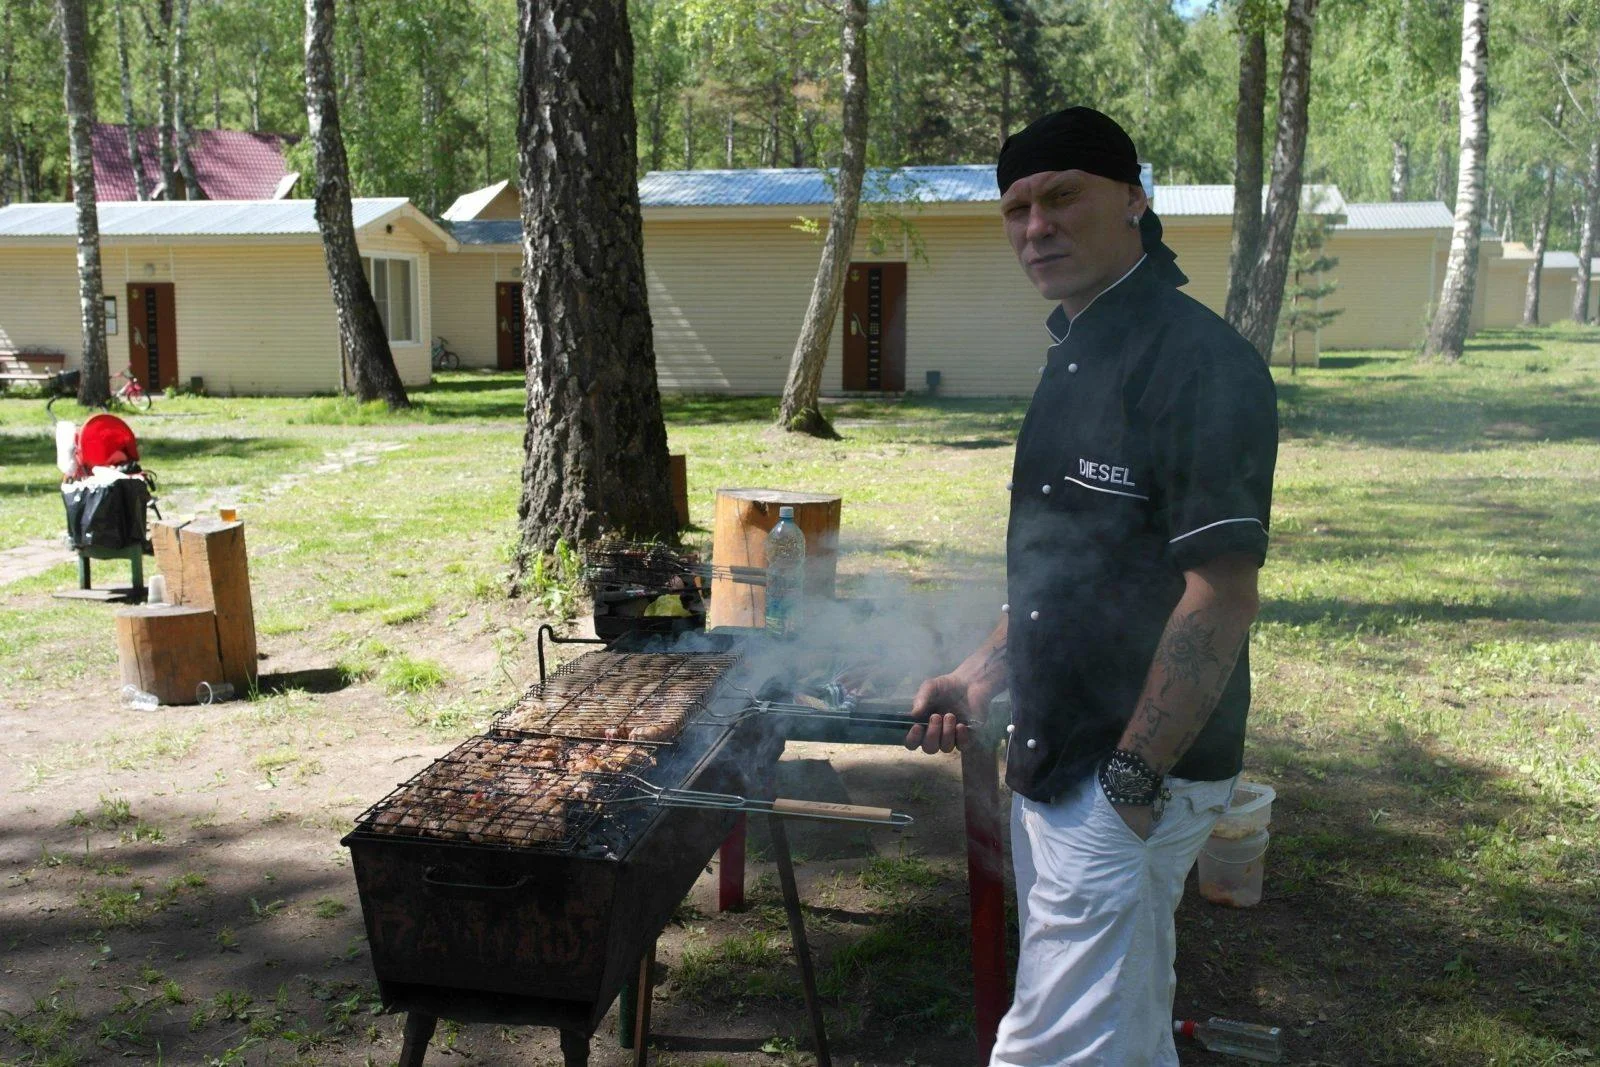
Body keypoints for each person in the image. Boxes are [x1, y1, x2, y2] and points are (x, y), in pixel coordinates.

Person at [904, 107, 1278, 1066]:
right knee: (1120, 1024)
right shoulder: (1076, 349)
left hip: (1127, 768)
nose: (1038, 226)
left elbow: (1222, 593)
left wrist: (1131, 780)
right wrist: (981, 672)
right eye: (1017, 208)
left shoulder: (1198, 363)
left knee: (1050, 1045)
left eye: (1063, 196)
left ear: (1134, 199)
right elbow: (1065, 571)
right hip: (1059, 749)